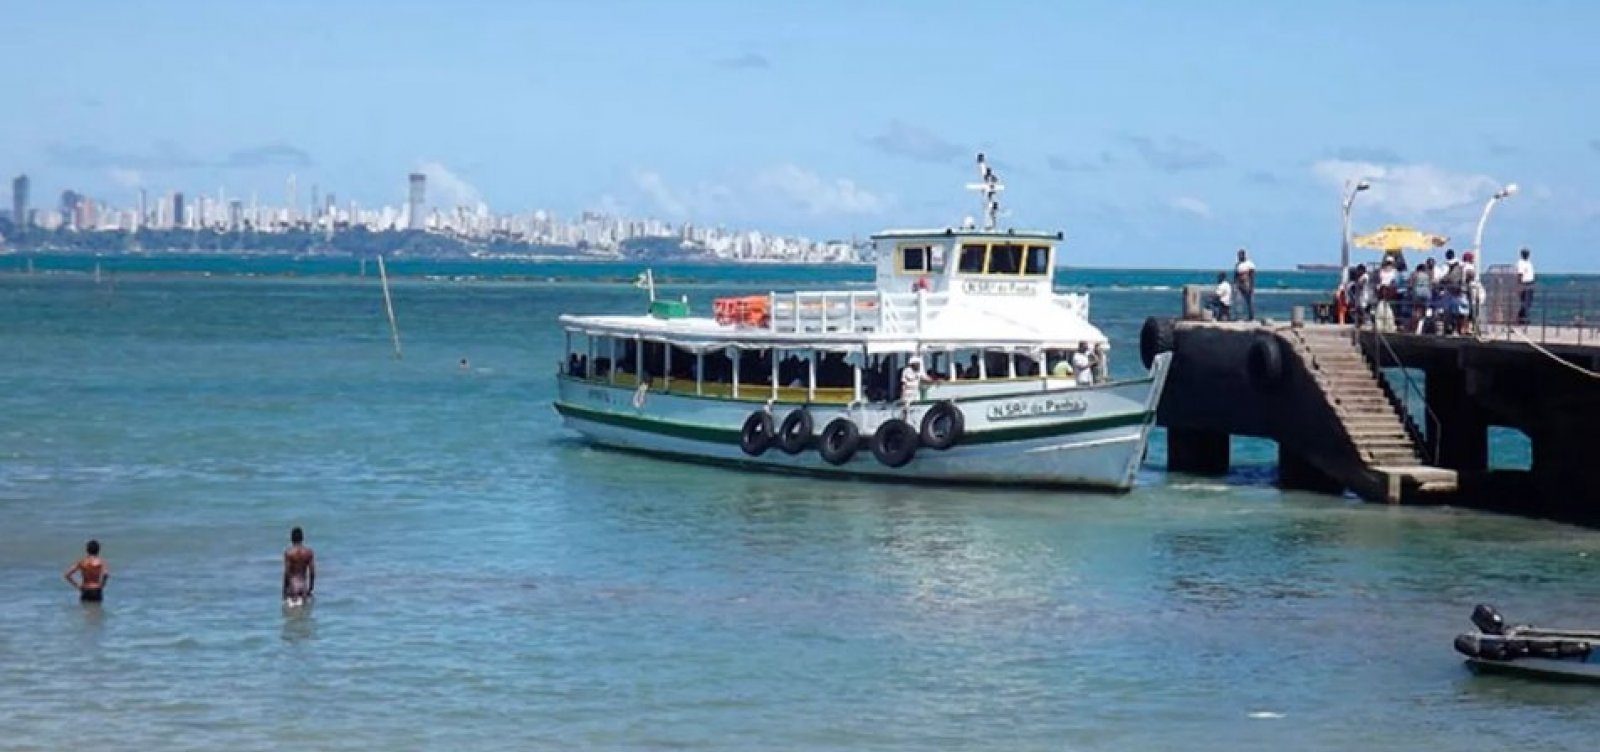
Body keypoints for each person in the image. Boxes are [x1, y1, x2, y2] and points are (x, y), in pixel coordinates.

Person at [283, 527, 316, 605]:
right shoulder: (308, 552)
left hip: (293, 587)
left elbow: (287, 573)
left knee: (291, 615)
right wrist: (311, 587)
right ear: (302, 538)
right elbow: (312, 572)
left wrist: (284, 590)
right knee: (304, 614)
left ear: (291, 538)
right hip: (304, 587)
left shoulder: (289, 553)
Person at [1233, 248, 1256, 321]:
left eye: (1240, 255)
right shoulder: (1237, 265)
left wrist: (1251, 286)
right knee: (1238, 301)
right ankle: (1239, 317)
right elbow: (1236, 275)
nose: (1239, 257)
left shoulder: (1250, 264)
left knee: (1250, 301)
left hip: (1247, 283)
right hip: (1239, 283)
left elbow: (1252, 275)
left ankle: (1251, 316)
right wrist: (1234, 284)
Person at [1515, 247, 1536, 325]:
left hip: (1530, 283)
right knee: (1525, 302)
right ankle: (1521, 319)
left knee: (1528, 303)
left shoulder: (1529, 263)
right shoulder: (1521, 263)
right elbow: (1520, 275)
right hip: (1524, 284)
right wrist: (1520, 286)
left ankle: (1523, 318)